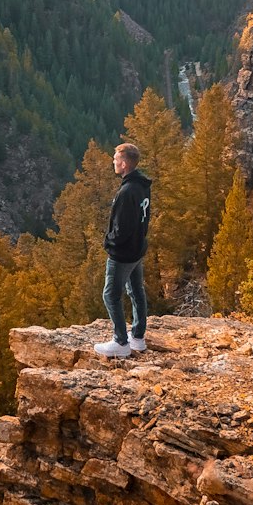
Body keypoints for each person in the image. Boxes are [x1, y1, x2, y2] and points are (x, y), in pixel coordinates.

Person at [94, 142, 151, 358]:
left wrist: (109, 243)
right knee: (137, 291)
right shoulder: (142, 185)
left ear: (124, 164)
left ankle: (121, 342)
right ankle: (138, 337)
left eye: (116, 159)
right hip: (137, 249)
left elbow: (122, 228)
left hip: (124, 253)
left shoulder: (127, 191)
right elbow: (144, 218)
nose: (113, 162)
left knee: (110, 295)